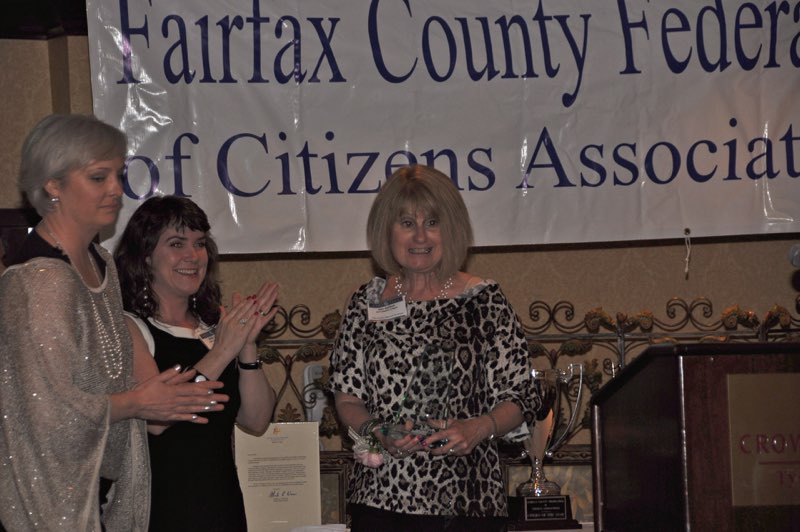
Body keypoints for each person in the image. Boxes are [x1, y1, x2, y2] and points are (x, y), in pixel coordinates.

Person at [0, 114, 229, 531]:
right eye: (98, 177)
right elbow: (43, 413)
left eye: (118, 175)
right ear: (53, 185)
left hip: (97, 497)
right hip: (51, 508)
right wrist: (137, 403)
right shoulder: (41, 280)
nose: (115, 190)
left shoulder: (100, 262)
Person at [330, 164, 539, 531]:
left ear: (451, 228)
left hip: (466, 502)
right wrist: (377, 428)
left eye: (432, 222)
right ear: (387, 231)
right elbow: (347, 399)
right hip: (380, 501)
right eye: (407, 223)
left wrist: (478, 428)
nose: (420, 236)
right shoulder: (366, 301)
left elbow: (523, 396)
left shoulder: (483, 299)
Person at [114, 195, 278, 532]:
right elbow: (156, 421)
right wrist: (223, 350)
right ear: (145, 256)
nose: (192, 256)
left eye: (200, 244)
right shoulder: (130, 327)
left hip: (222, 507)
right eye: (177, 244)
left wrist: (246, 347)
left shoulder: (214, 325)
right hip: (163, 510)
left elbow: (257, 420)